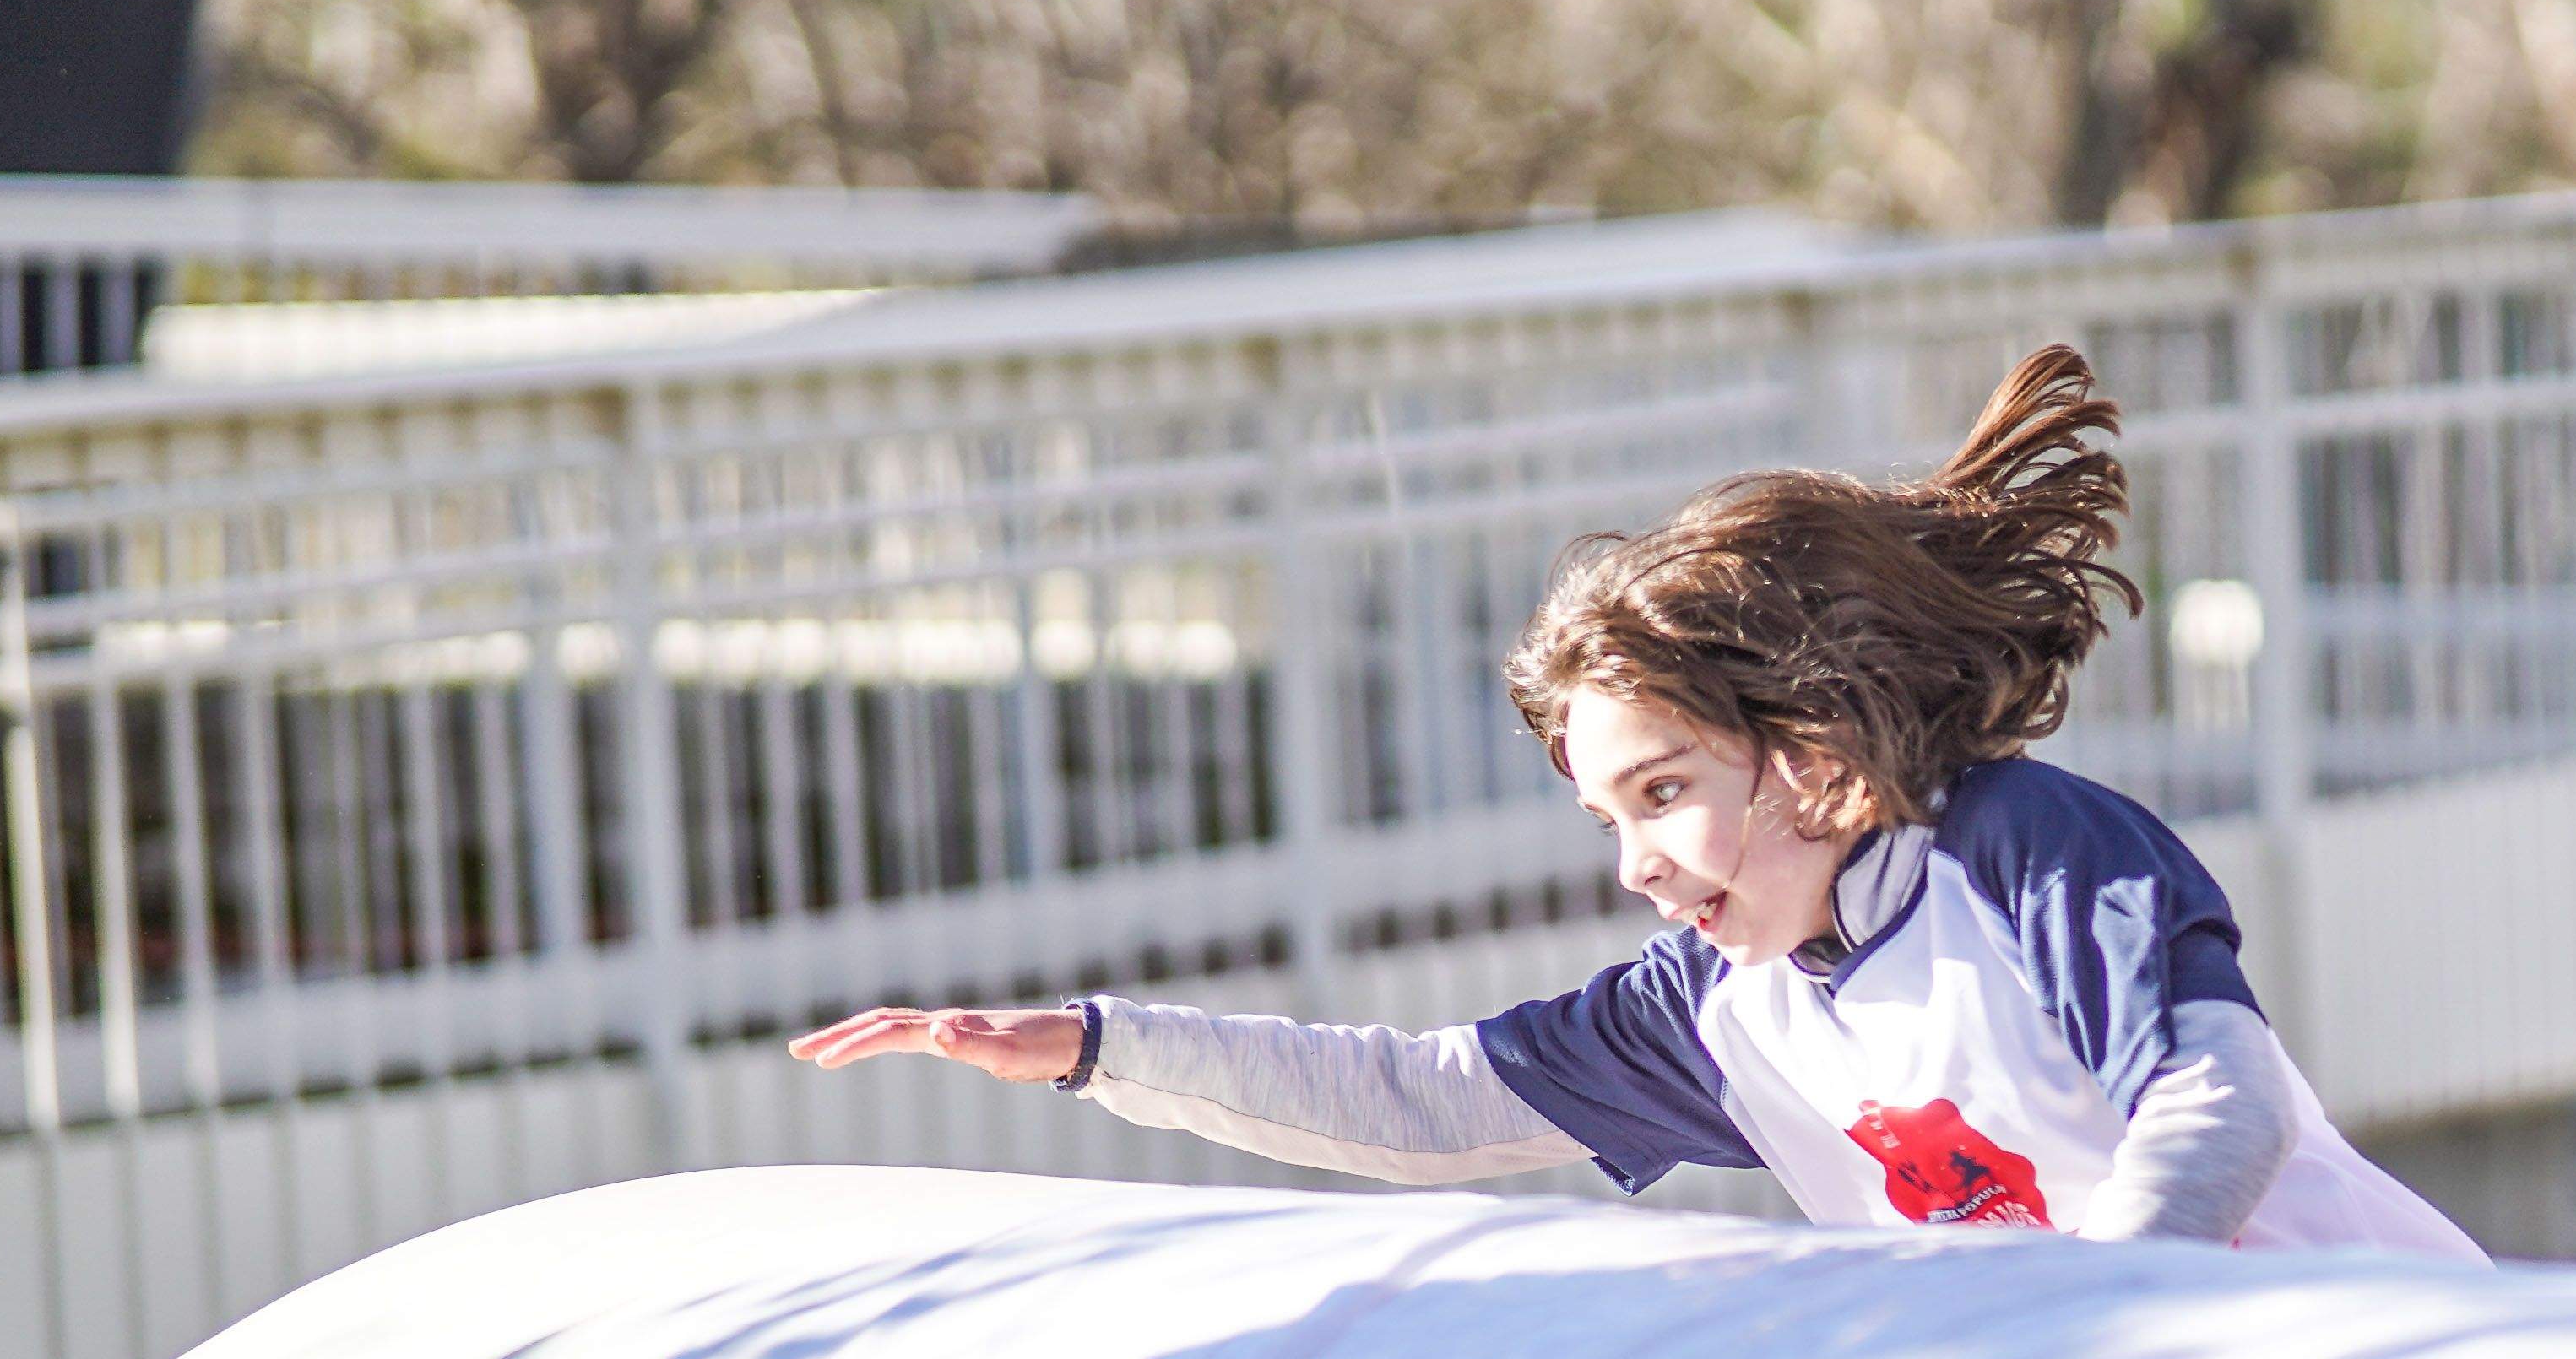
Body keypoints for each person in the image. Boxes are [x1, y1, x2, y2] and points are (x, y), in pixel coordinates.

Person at [797, 345, 2483, 1259]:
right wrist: (1100, 1042)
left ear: (1811, 744)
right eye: (1608, 815)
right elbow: (1421, 1099)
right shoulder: (1724, 1011)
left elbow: (2221, 1096)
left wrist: (2098, 1319)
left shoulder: (2026, 851)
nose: (1638, 865)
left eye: (1664, 789)